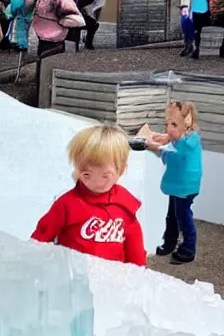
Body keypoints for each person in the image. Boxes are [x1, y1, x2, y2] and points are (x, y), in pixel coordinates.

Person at [31, 124, 147, 267]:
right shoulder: (67, 204)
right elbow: (42, 236)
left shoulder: (125, 205)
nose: (95, 181)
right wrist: (33, 261)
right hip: (73, 276)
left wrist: (138, 273)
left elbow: (134, 244)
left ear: (121, 170)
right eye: (86, 174)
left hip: (113, 279)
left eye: (105, 175)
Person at [139, 101, 203, 265]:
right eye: (167, 124)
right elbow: (172, 146)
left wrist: (156, 147)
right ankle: (169, 243)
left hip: (186, 187)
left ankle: (189, 249)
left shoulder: (190, 142)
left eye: (174, 124)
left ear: (187, 127)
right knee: (172, 216)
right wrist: (166, 139)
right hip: (178, 185)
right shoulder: (180, 138)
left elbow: (174, 153)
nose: (168, 128)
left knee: (183, 217)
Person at [19, 0, 85, 57]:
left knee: (49, 65)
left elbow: (77, 20)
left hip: (54, 41)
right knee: (43, 64)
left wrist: (61, 21)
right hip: (43, 40)